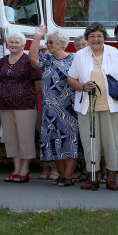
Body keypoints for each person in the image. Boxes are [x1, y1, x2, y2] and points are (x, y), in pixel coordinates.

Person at [67, 22, 118, 190]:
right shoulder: (80, 55)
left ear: (104, 37)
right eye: (92, 36)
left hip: (112, 107)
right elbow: (71, 79)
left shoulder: (113, 52)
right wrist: (82, 87)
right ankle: (92, 178)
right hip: (87, 108)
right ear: (87, 38)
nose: (96, 39)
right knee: (90, 144)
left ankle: (111, 179)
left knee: (112, 144)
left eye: (99, 36)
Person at [29, 26, 79, 186]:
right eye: (47, 42)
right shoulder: (48, 59)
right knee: (54, 142)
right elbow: (33, 59)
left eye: (50, 42)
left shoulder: (74, 59)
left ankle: (68, 176)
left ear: (61, 43)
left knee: (70, 142)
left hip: (69, 110)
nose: (48, 45)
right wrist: (37, 37)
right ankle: (62, 175)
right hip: (49, 110)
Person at [0, 31, 42, 182]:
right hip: (5, 105)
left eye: (17, 42)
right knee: (11, 139)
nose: (14, 45)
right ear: (7, 45)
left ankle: (25, 170)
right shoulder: (3, 60)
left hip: (25, 105)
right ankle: (16, 169)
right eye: (11, 42)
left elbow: (38, 82)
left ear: (23, 45)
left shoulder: (28, 60)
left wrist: (25, 96)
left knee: (25, 138)